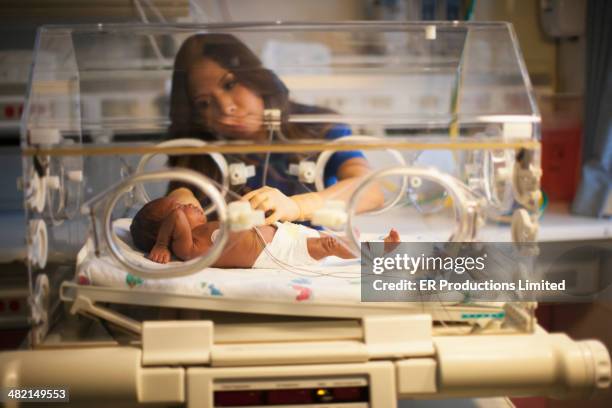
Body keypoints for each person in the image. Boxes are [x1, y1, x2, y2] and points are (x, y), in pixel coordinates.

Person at [166, 33, 384, 225]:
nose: (226, 108)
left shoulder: (318, 126)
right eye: (204, 103)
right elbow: (180, 193)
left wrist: (299, 206)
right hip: (238, 262)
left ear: (255, 76)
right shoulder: (203, 148)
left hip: (309, 257)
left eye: (230, 84)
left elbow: (371, 190)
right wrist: (180, 197)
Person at [130, 188, 399, 268]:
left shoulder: (199, 232)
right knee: (328, 247)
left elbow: (177, 213)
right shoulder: (188, 248)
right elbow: (178, 213)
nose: (189, 205)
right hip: (277, 250)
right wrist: (163, 243)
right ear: (168, 229)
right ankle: (374, 254)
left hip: (283, 233)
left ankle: (359, 243)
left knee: (327, 238)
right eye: (178, 207)